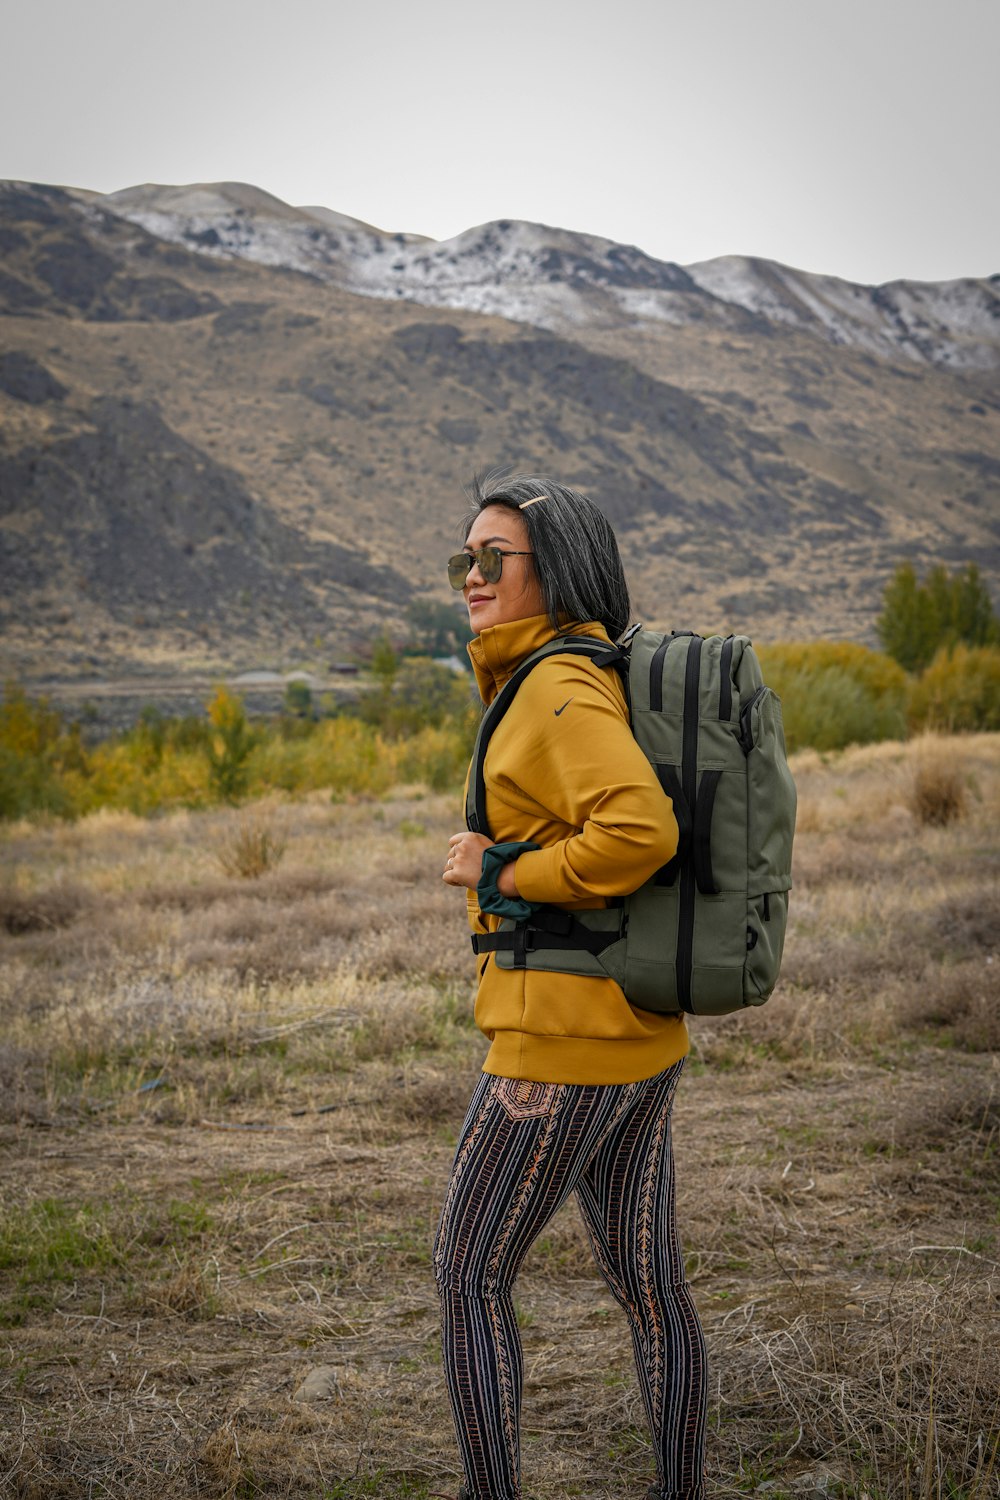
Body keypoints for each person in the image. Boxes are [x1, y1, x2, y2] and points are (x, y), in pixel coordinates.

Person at [434, 471, 708, 1500]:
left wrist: (498, 870)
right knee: (651, 1292)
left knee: (468, 1275)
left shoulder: (554, 684)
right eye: (465, 556)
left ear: (557, 575)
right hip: (635, 1038)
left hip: (558, 1044)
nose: (471, 575)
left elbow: (641, 827)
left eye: (493, 558)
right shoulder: (574, 671)